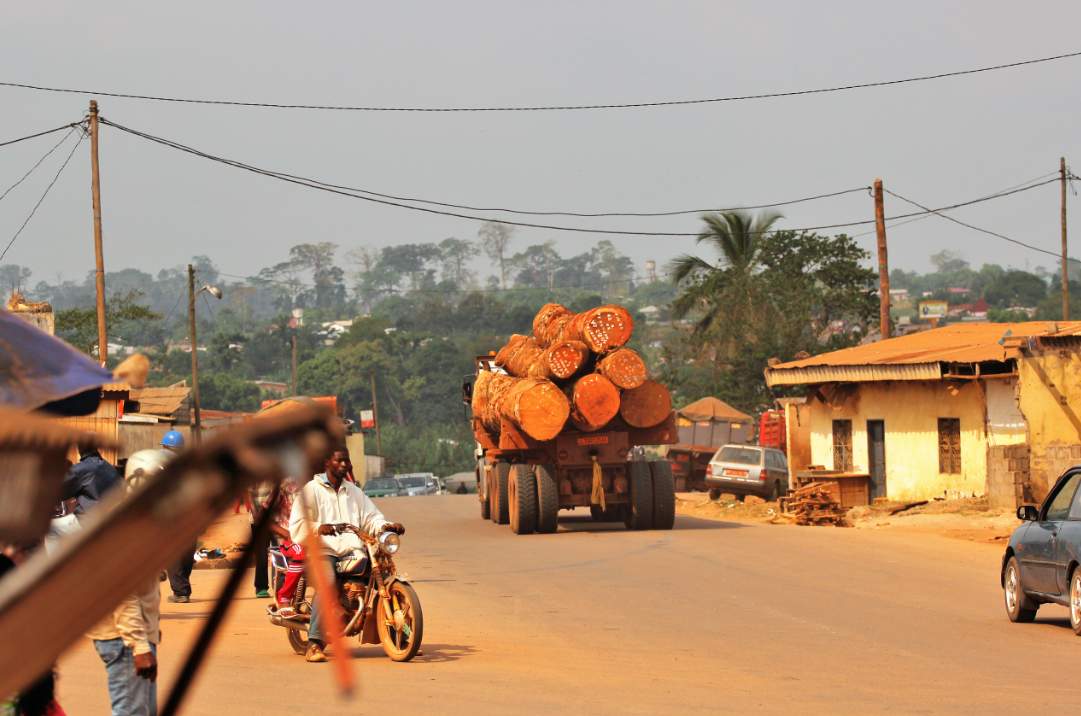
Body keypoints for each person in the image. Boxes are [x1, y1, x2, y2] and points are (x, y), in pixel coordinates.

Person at [289, 449, 404, 663]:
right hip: (325, 550)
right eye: (339, 460)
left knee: (381, 574)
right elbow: (297, 524)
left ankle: (403, 637)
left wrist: (386, 526)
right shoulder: (311, 490)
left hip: (354, 549)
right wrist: (318, 528)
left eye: (346, 460)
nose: (344, 464)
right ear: (327, 462)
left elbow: (372, 518)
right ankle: (314, 643)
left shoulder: (354, 492)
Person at [158, 431, 194, 604]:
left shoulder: (159, 464)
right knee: (187, 551)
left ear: (164, 446)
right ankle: (182, 587)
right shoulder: (190, 464)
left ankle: (181, 592)